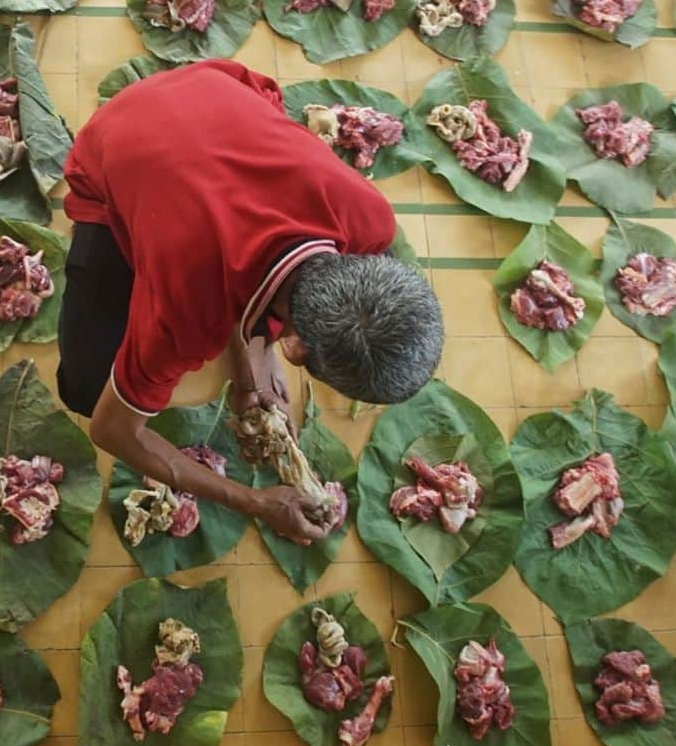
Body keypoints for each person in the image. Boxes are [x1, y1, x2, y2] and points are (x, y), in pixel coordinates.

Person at [58, 60, 443, 544]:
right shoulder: (186, 315)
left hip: (210, 89)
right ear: (296, 349)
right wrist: (256, 501)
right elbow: (113, 431)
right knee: (85, 389)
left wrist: (250, 362)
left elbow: (266, 262)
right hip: (114, 138)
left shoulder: (369, 216)